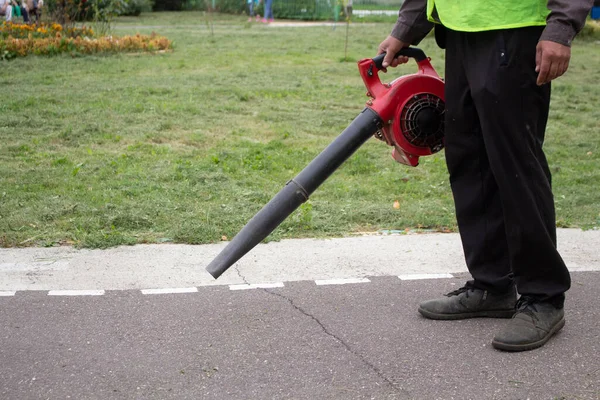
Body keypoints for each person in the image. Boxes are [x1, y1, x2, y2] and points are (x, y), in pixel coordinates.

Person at [378, 0, 593, 352]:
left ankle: (544, 296)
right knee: (469, 159)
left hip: (515, 28)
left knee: (516, 163)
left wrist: (561, 26)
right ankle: (493, 285)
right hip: (461, 32)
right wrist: (405, 28)